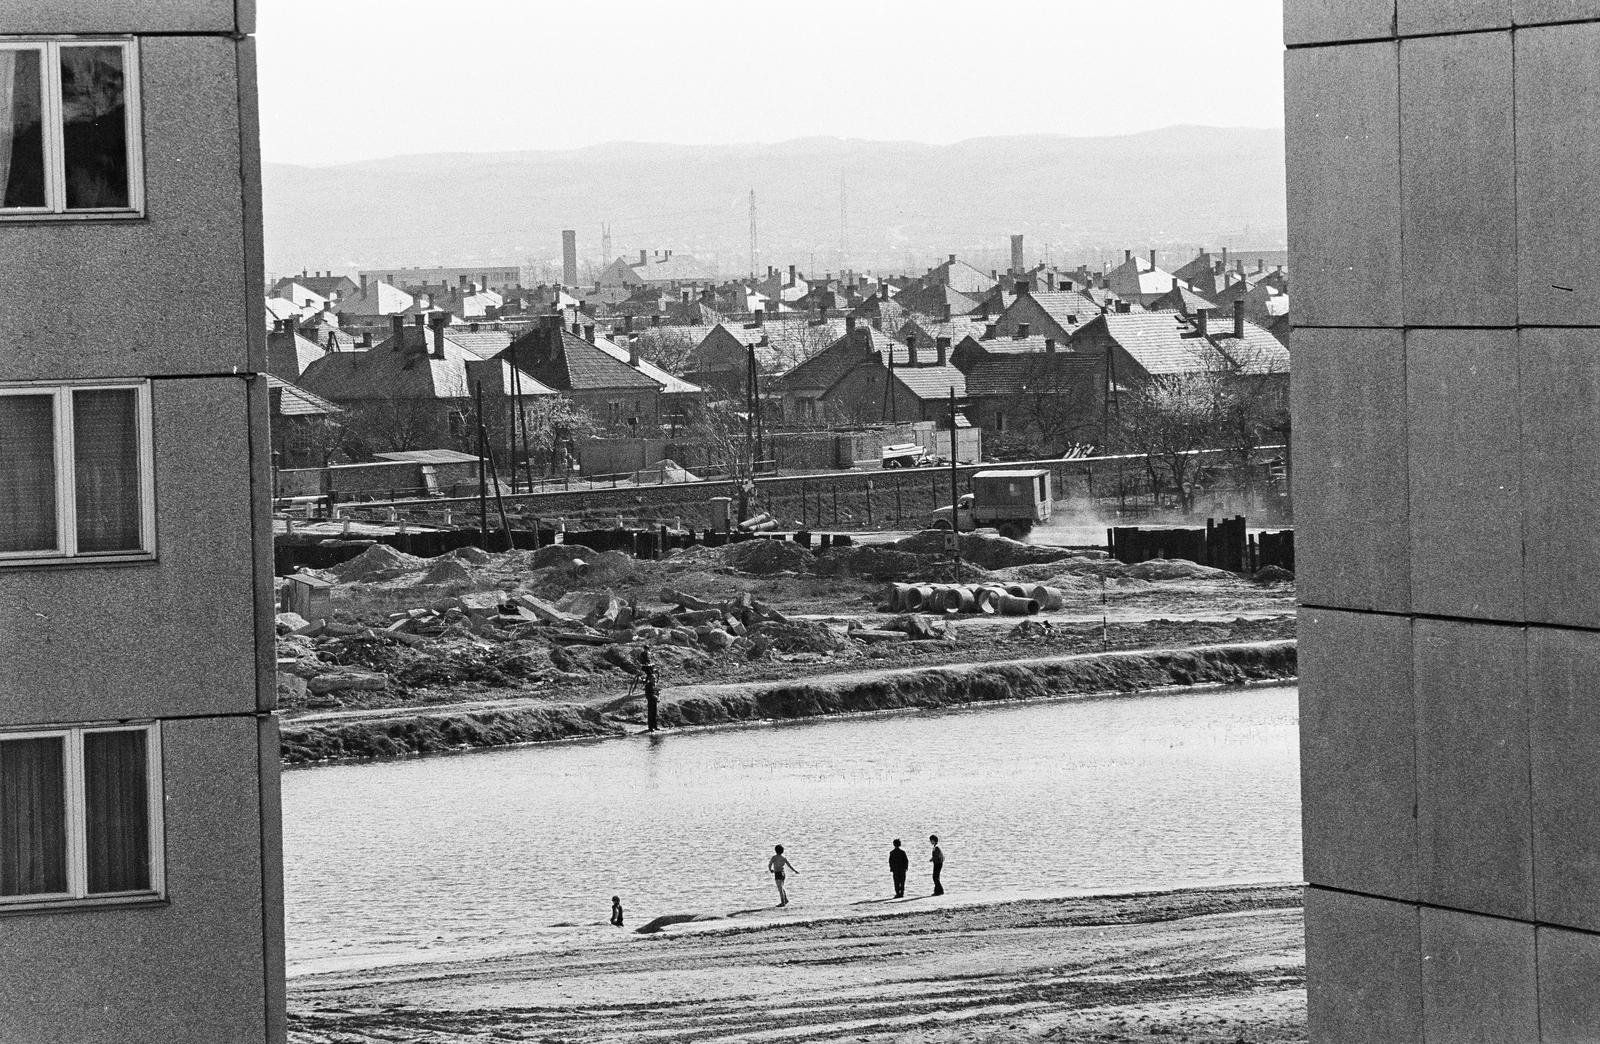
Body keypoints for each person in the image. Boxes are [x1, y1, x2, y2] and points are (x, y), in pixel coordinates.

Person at [640, 648, 659, 732]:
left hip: (654, 700)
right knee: (651, 714)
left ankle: (655, 726)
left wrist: (657, 697)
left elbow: (657, 692)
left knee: (655, 713)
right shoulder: (649, 686)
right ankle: (650, 727)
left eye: (655, 680)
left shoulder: (649, 654)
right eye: (653, 680)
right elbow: (649, 694)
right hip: (644, 667)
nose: (654, 681)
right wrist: (654, 697)